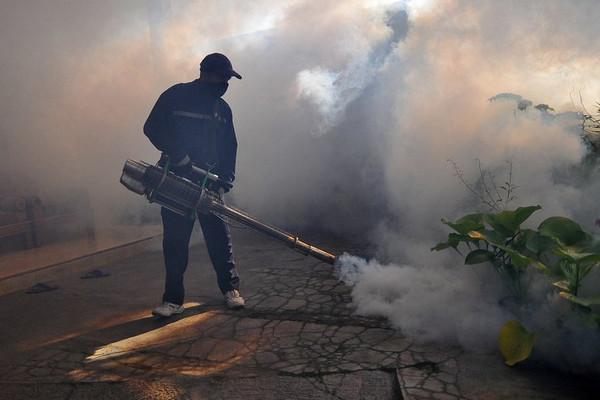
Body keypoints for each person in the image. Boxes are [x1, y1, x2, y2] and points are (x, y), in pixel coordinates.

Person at [143, 53, 244, 317]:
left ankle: (230, 289)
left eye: (228, 79)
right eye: (224, 77)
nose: (226, 83)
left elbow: (229, 146)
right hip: (178, 177)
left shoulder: (223, 110)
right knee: (175, 240)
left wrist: (226, 179)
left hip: (209, 182)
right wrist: (180, 156)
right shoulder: (175, 96)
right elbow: (152, 127)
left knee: (219, 237)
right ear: (206, 74)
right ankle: (173, 301)